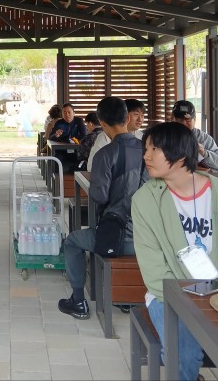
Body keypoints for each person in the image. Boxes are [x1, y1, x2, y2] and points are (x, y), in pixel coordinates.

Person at [132, 122, 217, 381]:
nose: (146, 156)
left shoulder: (214, 190)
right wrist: (193, 300)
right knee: (183, 352)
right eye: (146, 149)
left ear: (180, 155)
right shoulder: (145, 200)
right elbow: (154, 270)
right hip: (167, 295)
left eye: (154, 149)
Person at [58, 97, 144, 320]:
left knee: (72, 241)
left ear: (102, 124)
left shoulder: (105, 154)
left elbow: (99, 196)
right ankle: (125, 297)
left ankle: (78, 301)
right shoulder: (147, 150)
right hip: (147, 237)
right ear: (127, 118)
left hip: (118, 238)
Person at [87, 98, 146, 171]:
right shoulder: (104, 137)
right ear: (126, 116)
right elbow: (91, 166)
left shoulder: (143, 137)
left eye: (142, 115)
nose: (140, 119)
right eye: (136, 114)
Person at [171, 100, 218, 171]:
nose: (183, 123)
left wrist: (204, 152)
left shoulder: (204, 139)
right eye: (179, 120)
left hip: (201, 177)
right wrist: (189, 167)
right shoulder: (164, 137)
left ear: (194, 119)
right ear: (172, 119)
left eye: (188, 120)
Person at [48, 103, 86, 172]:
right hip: (62, 151)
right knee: (56, 163)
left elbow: (83, 135)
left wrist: (68, 138)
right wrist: (56, 135)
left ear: (73, 113)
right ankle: (57, 177)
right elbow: (51, 137)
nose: (67, 115)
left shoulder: (79, 121)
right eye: (64, 112)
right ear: (62, 114)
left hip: (76, 151)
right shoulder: (59, 122)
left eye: (69, 112)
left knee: (81, 164)